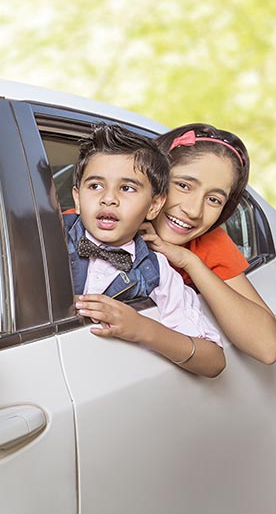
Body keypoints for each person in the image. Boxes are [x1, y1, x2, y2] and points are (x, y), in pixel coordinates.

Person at [66, 123, 225, 377]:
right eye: (95, 186)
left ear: (154, 206)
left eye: (127, 188)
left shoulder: (156, 270)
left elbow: (214, 361)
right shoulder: (44, 239)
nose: (109, 198)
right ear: (77, 197)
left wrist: (142, 328)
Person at [139, 123, 276, 364]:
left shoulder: (206, 243)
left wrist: (191, 262)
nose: (193, 210)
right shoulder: (95, 223)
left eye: (213, 199)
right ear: (152, 175)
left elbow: (267, 347)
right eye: (183, 186)